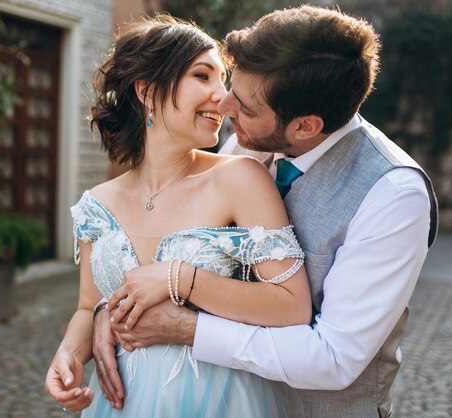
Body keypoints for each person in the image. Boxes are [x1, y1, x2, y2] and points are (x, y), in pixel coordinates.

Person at [95, 6, 439, 418]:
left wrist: (189, 329)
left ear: (305, 127)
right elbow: (184, 246)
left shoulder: (393, 195)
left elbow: (333, 358)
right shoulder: (245, 144)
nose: (223, 106)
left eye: (244, 106)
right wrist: (110, 312)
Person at [44, 15, 313, 417]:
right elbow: (90, 307)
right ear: (148, 90)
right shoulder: (95, 206)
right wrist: (67, 354)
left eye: (223, 81)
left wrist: (179, 280)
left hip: (219, 399)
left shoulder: (240, 178)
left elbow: (292, 307)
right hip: (121, 403)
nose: (223, 98)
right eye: (203, 76)